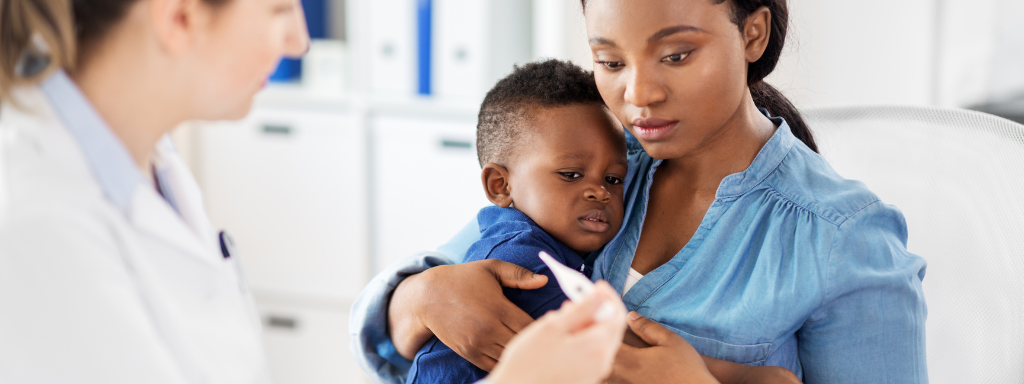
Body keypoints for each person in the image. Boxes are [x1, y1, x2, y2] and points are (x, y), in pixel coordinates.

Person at [0, 1, 633, 383]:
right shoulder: (37, 224)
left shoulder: (152, 171)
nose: (299, 40)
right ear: (181, 16)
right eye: (279, 9)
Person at [351, 0, 929, 383]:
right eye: (609, 60)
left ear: (752, 33)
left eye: (676, 55)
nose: (639, 93)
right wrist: (422, 298)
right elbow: (399, 311)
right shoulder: (590, 164)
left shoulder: (844, 237)